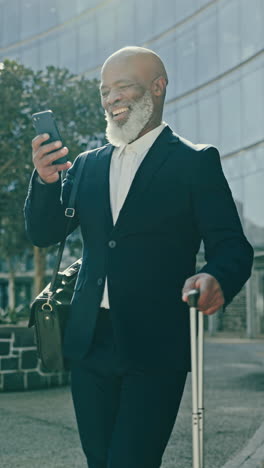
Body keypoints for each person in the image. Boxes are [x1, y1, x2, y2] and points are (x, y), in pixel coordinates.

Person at [24, 46, 253, 468]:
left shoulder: (194, 162)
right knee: (100, 461)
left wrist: (215, 276)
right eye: (104, 91)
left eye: (122, 87)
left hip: (155, 345)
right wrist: (43, 180)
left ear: (157, 87)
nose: (110, 98)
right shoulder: (87, 166)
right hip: (90, 341)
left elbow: (232, 247)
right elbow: (43, 233)